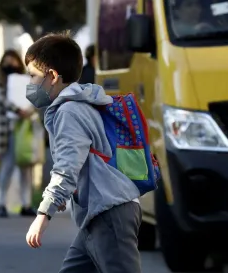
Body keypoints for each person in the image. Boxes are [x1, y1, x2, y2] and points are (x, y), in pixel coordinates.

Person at [24, 32, 142, 273]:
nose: (30, 84)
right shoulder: (82, 104)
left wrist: (43, 214)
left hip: (110, 213)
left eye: (33, 76)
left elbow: (66, 167)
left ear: (52, 76)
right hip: (97, 214)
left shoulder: (70, 113)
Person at [0, 49, 37, 218]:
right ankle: (0, 203)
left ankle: (26, 204)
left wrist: (28, 111)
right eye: (7, 62)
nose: (11, 65)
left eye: (14, 61)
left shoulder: (27, 80)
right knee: (7, 167)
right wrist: (18, 110)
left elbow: (35, 99)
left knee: (26, 168)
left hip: (24, 129)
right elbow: (0, 99)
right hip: (6, 131)